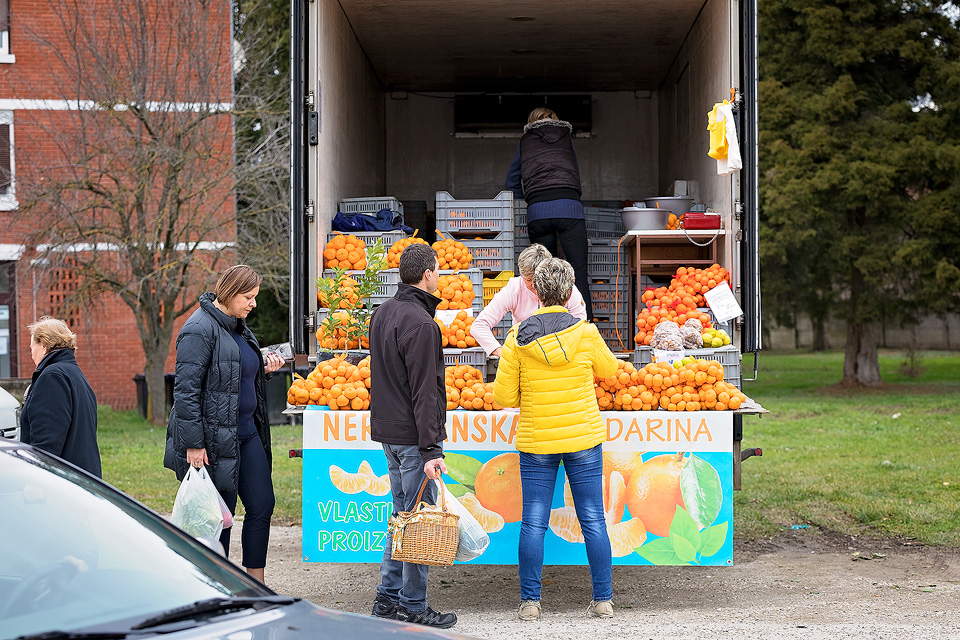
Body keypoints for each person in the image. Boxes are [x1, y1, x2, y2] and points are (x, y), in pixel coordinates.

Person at [493, 258, 619, 621]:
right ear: (568, 292)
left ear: (535, 290)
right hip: (583, 438)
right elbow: (610, 371)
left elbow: (503, 398)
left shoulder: (517, 337)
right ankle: (603, 600)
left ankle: (531, 603)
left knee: (533, 522)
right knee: (593, 519)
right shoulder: (586, 333)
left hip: (537, 441)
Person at [163, 265, 283, 583]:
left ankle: (255, 586)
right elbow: (186, 391)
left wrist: (264, 369)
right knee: (220, 517)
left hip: (247, 433)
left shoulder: (239, 326)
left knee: (262, 504)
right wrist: (193, 444)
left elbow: (234, 374)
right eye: (248, 297)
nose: (253, 304)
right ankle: (218, 587)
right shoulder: (197, 329)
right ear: (228, 293)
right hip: (213, 442)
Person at [368, 243, 457, 630]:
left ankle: (388, 599)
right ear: (427, 275)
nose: (439, 277)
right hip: (412, 439)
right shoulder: (422, 324)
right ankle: (413, 605)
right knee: (418, 521)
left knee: (402, 518)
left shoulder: (384, 312)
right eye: (437, 271)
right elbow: (426, 391)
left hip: (389, 432)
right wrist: (431, 448)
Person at [505, 107, 593, 321]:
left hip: (538, 211)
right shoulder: (566, 138)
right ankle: (585, 327)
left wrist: (527, 200)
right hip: (569, 208)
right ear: (556, 120)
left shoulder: (526, 141)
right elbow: (575, 171)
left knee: (543, 276)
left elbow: (511, 181)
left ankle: (549, 330)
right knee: (578, 273)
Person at [471, 243, 587, 357]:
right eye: (528, 279)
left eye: (537, 279)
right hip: (524, 355)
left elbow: (581, 326)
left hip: (561, 353)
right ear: (521, 275)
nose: (534, 285)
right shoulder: (514, 288)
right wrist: (502, 353)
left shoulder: (565, 288)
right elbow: (479, 325)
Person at [20, 317, 100, 477]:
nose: (31, 355)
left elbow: (46, 443)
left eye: (31, 348)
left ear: (43, 345)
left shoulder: (52, 377)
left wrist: (35, 482)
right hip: (83, 479)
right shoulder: (74, 374)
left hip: (62, 484)